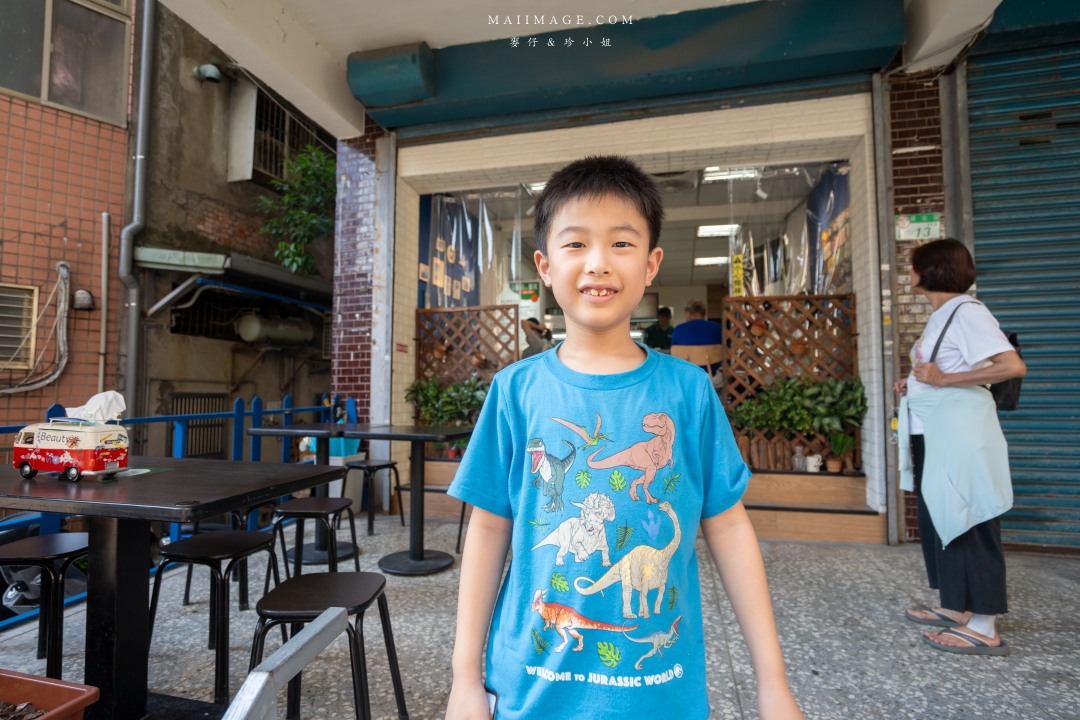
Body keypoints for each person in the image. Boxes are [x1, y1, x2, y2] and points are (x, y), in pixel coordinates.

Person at [446, 155, 803, 720]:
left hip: (662, 691)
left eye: (621, 243)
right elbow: (490, 528)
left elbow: (729, 525)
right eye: (575, 244)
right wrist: (464, 678)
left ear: (652, 263)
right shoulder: (515, 390)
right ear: (543, 265)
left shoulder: (689, 391)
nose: (598, 263)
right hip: (528, 690)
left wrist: (773, 681)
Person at [895, 238, 1026, 656]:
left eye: (913, 265)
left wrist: (940, 380)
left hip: (959, 434)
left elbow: (1010, 365)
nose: (909, 271)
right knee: (943, 519)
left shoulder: (968, 312)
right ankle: (957, 608)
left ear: (929, 271)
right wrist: (915, 382)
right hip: (938, 431)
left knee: (968, 517)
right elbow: (945, 367)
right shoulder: (944, 314)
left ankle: (985, 626)